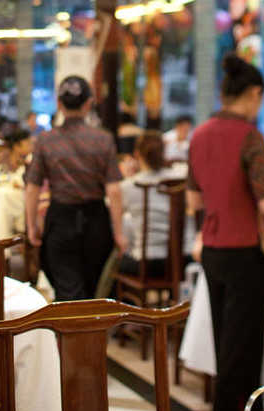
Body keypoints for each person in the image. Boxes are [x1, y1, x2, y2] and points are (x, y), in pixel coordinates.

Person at [187, 54, 264, 411]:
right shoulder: (250, 136)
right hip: (246, 254)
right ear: (255, 93)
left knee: (225, 341)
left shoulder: (200, 134)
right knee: (246, 349)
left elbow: (194, 199)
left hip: (213, 251)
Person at [24, 75, 126, 301]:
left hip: (60, 220)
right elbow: (114, 190)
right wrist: (119, 232)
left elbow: (32, 187)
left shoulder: (45, 140)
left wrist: (32, 225)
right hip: (96, 221)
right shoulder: (103, 139)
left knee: (67, 290)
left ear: (59, 104)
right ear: (89, 103)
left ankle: (68, 335)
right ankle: (91, 335)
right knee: (93, 290)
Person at [120, 131, 192, 277]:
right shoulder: (181, 178)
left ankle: (124, 300)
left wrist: (128, 176)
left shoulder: (129, 185)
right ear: (163, 151)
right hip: (182, 258)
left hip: (147, 262)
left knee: (115, 260)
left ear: (136, 154)